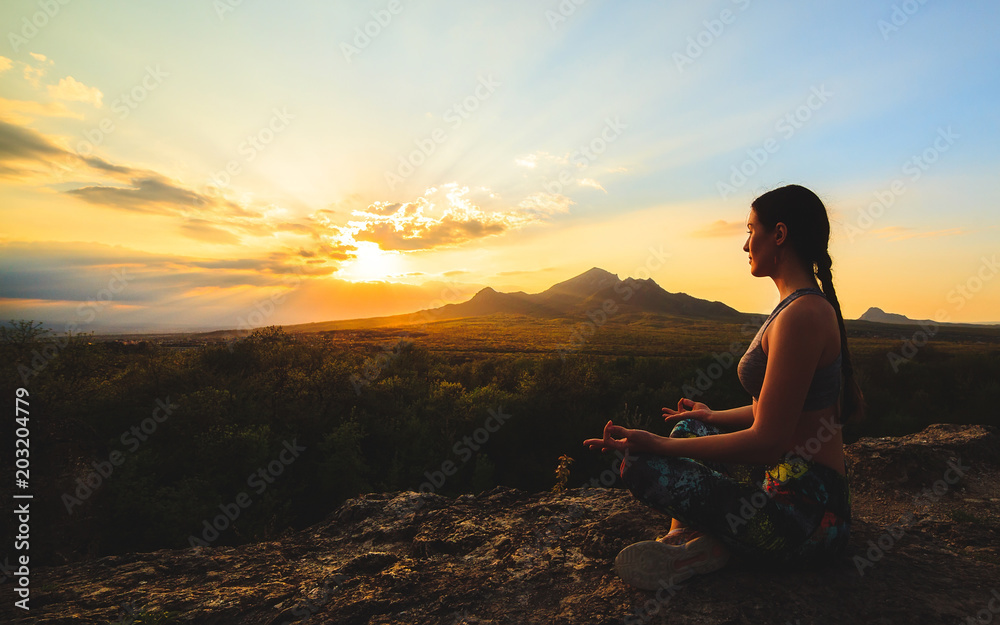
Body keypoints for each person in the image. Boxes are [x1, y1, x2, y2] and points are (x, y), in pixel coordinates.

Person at [583, 184, 865, 591]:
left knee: (642, 465)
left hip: (807, 521)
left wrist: (656, 445)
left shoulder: (803, 316)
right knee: (691, 428)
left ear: (779, 235)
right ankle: (700, 543)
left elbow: (768, 441)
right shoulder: (795, 307)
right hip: (781, 494)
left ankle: (692, 545)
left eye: (751, 230)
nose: (745, 244)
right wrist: (710, 416)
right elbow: (776, 408)